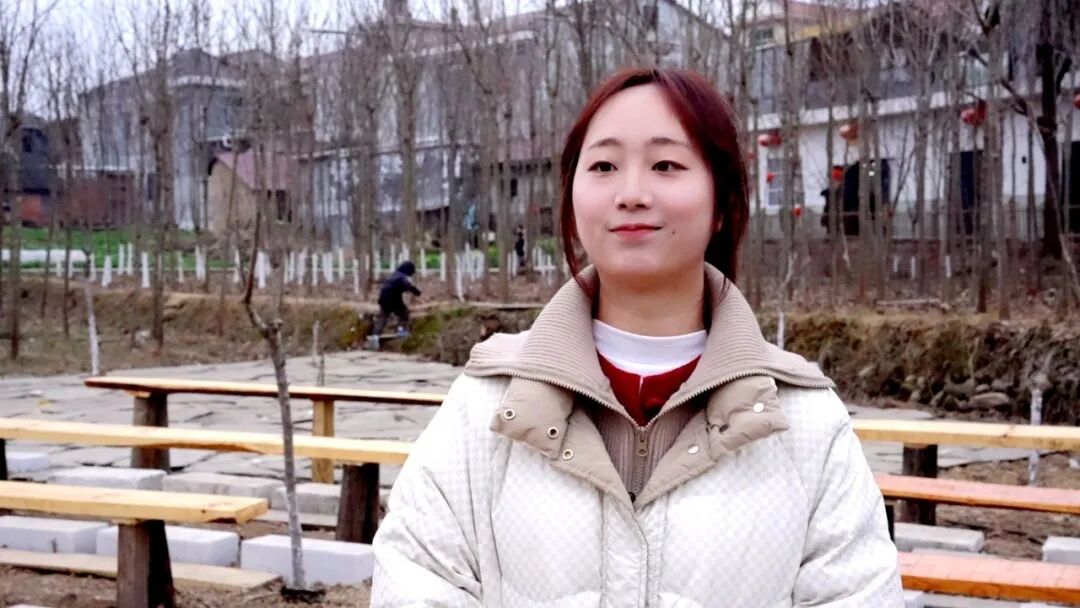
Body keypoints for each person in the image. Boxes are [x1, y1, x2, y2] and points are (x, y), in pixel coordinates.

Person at [372, 67, 903, 606]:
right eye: (603, 166)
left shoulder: (804, 423)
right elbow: (418, 580)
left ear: (722, 203)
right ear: (573, 199)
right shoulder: (486, 408)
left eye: (666, 165)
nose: (631, 194)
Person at [369, 261, 421, 346]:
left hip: (383, 299)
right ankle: (401, 329)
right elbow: (407, 285)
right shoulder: (402, 277)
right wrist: (417, 292)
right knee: (404, 313)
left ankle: (375, 335)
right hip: (393, 300)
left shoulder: (393, 275)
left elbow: (393, 286)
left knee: (383, 317)